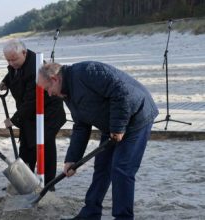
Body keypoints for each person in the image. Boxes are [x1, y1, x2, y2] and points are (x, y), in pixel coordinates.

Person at [37, 62, 159, 220]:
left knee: (121, 169)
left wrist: (118, 128)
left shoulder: (87, 72)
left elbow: (121, 92)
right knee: (102, 166)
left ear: (54, 79)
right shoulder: (66, 93)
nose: (49, 94)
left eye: (47, 89)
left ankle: (123, 217)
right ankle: (91, 213)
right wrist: (72, 159)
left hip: (137, 116)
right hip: (113, 123)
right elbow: (81, 126)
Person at [0, 39, 66, 189]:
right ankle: (23, 182)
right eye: (8, 59)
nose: (11, 62)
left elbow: (32, 100)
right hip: (30, 113)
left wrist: (14, 120)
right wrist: (5, 82)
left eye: (14, 59)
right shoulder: (18, 63)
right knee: (27, 144)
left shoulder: (36, 68)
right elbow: (13, 72)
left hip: (48, 114)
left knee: (44, 146)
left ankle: (48, 184)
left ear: (24, 52)